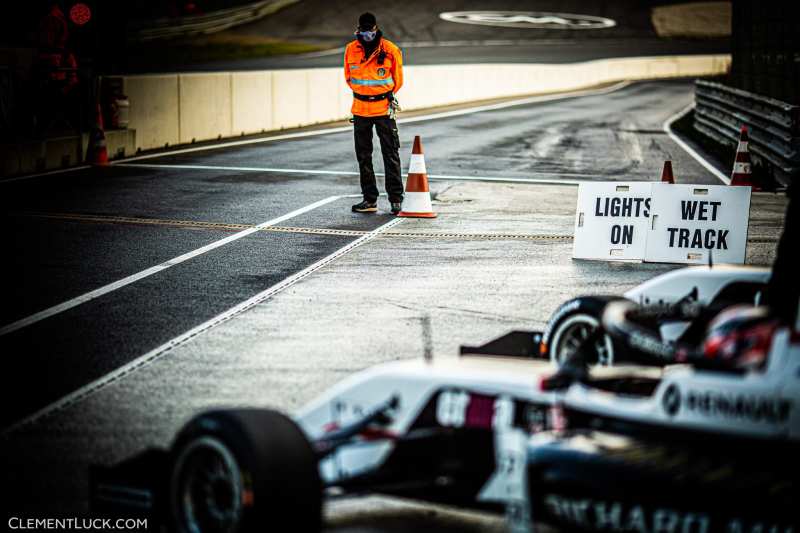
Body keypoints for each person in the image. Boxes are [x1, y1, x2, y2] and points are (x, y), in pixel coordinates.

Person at [344, 12, 404, 214]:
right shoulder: (351, 50)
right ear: (358, 29)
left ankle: (396, 199)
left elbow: (398, 81)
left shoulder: (390, 50)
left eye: (370, 30)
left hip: (383, 110)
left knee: (390, 154)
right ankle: (369, 200)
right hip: (360, 110)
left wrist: (379, 95)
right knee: (363, 156)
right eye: (364, 30)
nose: (367, 34)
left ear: (376, 28)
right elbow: (348, 78)